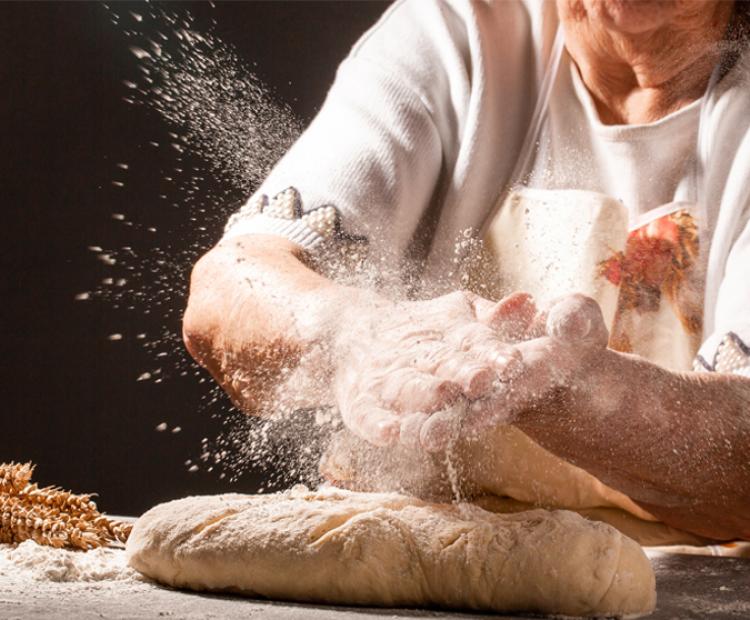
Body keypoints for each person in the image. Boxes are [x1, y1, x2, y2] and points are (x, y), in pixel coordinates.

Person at [183, 0, 750, 545]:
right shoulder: (461, 32)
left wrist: (552, 384)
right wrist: (357, 334)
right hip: (417, 573)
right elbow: (231, 284)